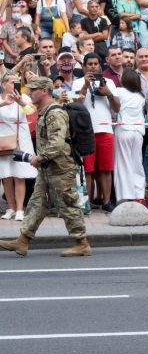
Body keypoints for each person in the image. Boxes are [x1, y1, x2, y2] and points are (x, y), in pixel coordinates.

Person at [0, 78, 91, 257]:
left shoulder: (54, 113)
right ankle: (23, 240)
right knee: (36, 203)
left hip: (60, 167)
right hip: (47, 167)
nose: (29, 93)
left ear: (43, 91)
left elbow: (57, 145)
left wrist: (38, 159)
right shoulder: (44, 111)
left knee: (68, 204)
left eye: (33, 90)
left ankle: (82, 243)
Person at [72, 52, 118, 211]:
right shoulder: (77, 83)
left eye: (95, 64)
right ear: (84, 66)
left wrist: (109, 94)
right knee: (88, 170)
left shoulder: (109, 82)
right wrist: (85, 85)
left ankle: (106, 202)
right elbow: (76, 105)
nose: (93, 66)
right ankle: (87, 202)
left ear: (100, 65)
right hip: (85, 132)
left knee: (106, 168)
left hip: (105, 131)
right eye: (89, 64)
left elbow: (117, 108)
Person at [0, 72, 36, 220]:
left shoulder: (24, 97)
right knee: (6, 176)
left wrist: (20, 101)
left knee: (19, 175)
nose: (14, 85)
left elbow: (31, 112)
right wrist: (4, 103)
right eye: (11, 82)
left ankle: (20, 209)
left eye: (17, 82)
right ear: (4, 85)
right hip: (3, 141)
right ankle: (11, 208)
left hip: (21, 140)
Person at [112, 67, 146, 203]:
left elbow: (113, 108)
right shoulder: (140, 96)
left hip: (124, 130)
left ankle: (127, 195)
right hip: (138, 132)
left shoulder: (119, 91)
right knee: (137, 163)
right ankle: (140, 195)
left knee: (123, 163)